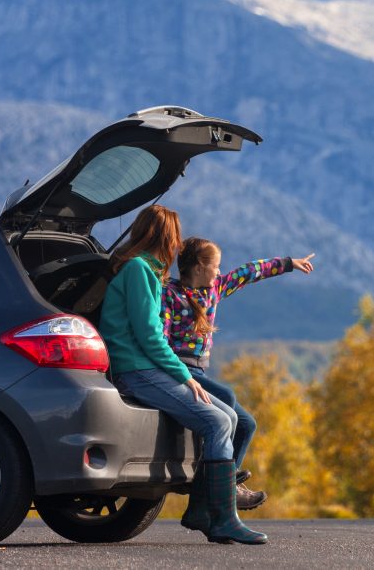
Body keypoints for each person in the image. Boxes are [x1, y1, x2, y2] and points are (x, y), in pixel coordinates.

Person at [99, 205, 266, 545]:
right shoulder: (138, 271)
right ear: (165, 236)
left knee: (230, 417)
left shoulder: (144, 271)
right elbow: (149, 336)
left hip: (145, 366)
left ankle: (204, 511)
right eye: (175, 236)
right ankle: (222, 519)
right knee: (219, 422)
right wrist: (185, 376)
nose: (177, 246)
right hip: (137, 370)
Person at [163, 237, 315, 515]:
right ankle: (221, 490)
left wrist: (289, 264)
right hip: (180, 371)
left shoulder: (215, 289)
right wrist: (177, 373)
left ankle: (226, 481)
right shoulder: (169, 295)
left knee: (247, 425)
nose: (220, 272)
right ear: (199, 266)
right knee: (229, 397)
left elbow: (249, 272)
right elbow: (160, 340)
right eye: (216, 266)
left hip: (200, 369)